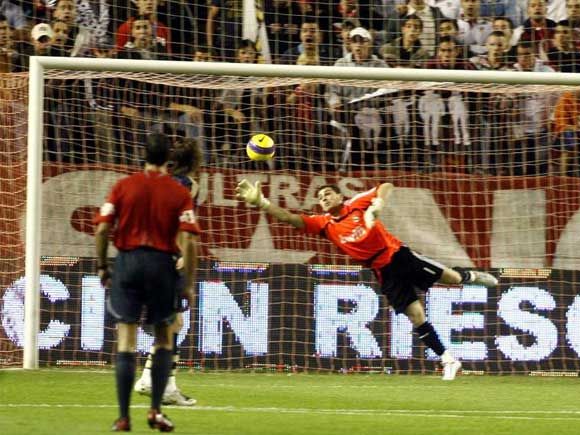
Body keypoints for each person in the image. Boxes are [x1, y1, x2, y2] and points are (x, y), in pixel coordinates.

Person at [235, 180, 499, 380]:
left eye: (328, 194)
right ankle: (448, 359)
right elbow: (290, 219)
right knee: (416, 316)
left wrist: (378, 204)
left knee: (452, 278)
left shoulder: (356, 204)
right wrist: (262, 203)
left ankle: (470, 276)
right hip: (382, 270)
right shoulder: (324, 224)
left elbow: (386, 185)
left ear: (339, 196)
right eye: (320, 197)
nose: (324, 198)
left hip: (398, 255)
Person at [95, 132, 199, 432]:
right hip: (161, 265)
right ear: (168, 159)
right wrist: (188, 282)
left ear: (143, 155)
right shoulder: (179, 191)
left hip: (127, 263)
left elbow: (101, 230)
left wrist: (102, 266)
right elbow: (190, 239)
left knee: (126, 341)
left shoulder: (123, 186)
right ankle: (155, 410)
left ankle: (123, 416)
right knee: (165, 336)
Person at [133, 137, 203, 406]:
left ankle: (154, 380)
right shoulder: (188, 186)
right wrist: (181, 253)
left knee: (173, 323)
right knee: (172, 323)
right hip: (165, 258)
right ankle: (162, 384)